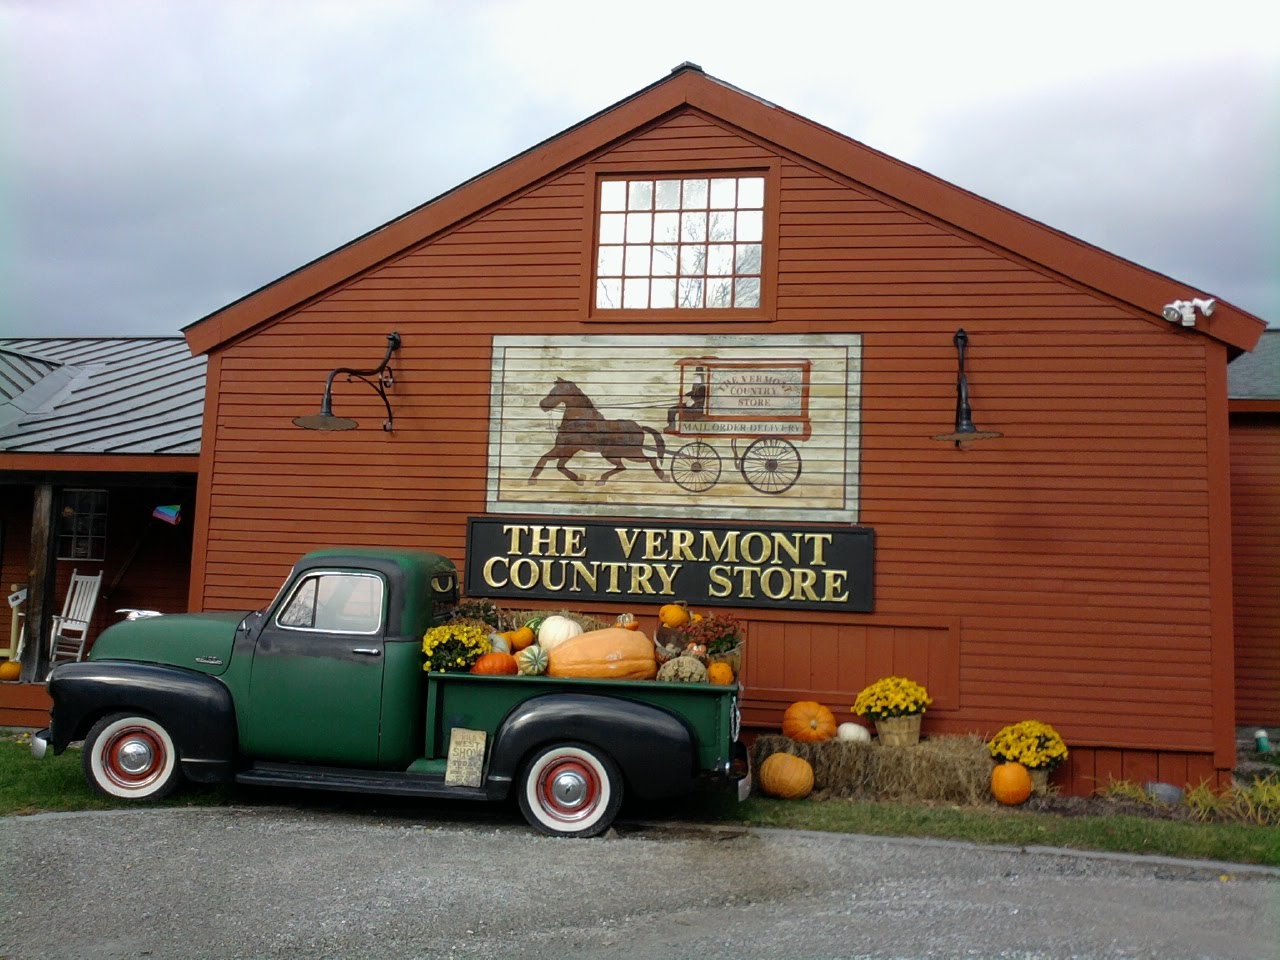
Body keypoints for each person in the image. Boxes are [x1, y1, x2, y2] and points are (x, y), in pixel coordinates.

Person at [666, 368, 707, 433]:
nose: (697, 376)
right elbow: (693, 392)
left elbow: (703, 397)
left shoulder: (703, 386)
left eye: (699, 375)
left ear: (701, 377)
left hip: (697, 408)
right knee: (671, 409)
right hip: (692, 405)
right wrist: (686, 394)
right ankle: (671, 426)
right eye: (697, 375)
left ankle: (672, 427)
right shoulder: (695, 385)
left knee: (672, 410)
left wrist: (694, 400)